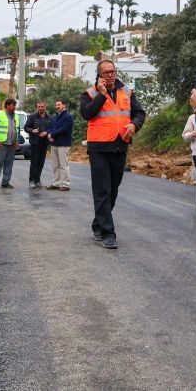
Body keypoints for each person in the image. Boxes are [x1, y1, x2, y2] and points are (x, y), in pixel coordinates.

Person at [80, 59, 146, 249]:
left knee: (113, 191)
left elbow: (139, 113)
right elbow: (87, 114)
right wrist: (101, 95)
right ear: (99, 75)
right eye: (106, 72)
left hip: (120, 146)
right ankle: (108, 233)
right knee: (102, 190)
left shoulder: (126, 92)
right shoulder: (90, 94)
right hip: (99, 148)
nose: (110, 75)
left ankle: (98, 224)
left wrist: (134, 125)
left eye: (112, 71)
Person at [0, 98, 21, 190]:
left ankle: (5, 182)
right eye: (13, 105)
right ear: (7, 105)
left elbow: (18, 130)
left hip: (12, 144)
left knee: (9, 164)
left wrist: (17, 141)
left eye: (15, 105)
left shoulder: (16, 116)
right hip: (1, 144)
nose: (14, 107)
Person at [46, 98, 73, 191]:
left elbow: (64, 129)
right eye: (56, 105)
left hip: (63, 144)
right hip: (54, 143)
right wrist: (49, 134)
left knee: (63, 165)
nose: (57, 107)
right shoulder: (54, 116)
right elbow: (50, 127)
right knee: (55, 165)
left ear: (64, 105)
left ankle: (66, 184)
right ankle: (56, 183)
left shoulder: (68, 117)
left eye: (59, 105)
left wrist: (52, 135)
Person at [24, 101, 52, 188]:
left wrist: (46, 132)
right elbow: (26, 127)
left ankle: (37, 180)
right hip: (35, 143)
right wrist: (32, 130)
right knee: (34, 162)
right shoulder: (32, 116)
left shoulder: (49, 117)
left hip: (44, 143)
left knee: (41, 162)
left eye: (42, 107)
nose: (40, 108)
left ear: (45, 107)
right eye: (39, 107)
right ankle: (31, 181)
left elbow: (52, 128)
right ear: (37, 107)